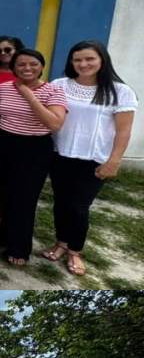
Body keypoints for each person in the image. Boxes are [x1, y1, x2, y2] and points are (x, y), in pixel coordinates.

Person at [45, 41, 137, 277]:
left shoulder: (120, 91)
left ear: (102, 60)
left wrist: (114, 161)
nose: (83, 64)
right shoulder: (59, 85)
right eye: (77, 60)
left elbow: (124, 131)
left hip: (94, 159)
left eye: (89, 59)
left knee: (79, 206)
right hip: (61, 154)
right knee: (61, 202)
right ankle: (61, 242)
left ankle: (75, 250)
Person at [0, 49, 68, 266]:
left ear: (42, 66)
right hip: (3, 143)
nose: (27, 68)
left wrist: (29, 96)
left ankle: (19, 247)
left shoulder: (53, 91)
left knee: (24, 198)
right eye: (21, 64)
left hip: (34, 148)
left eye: (33, 64)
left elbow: (54, 123)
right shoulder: (4, 88)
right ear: (13, 68)